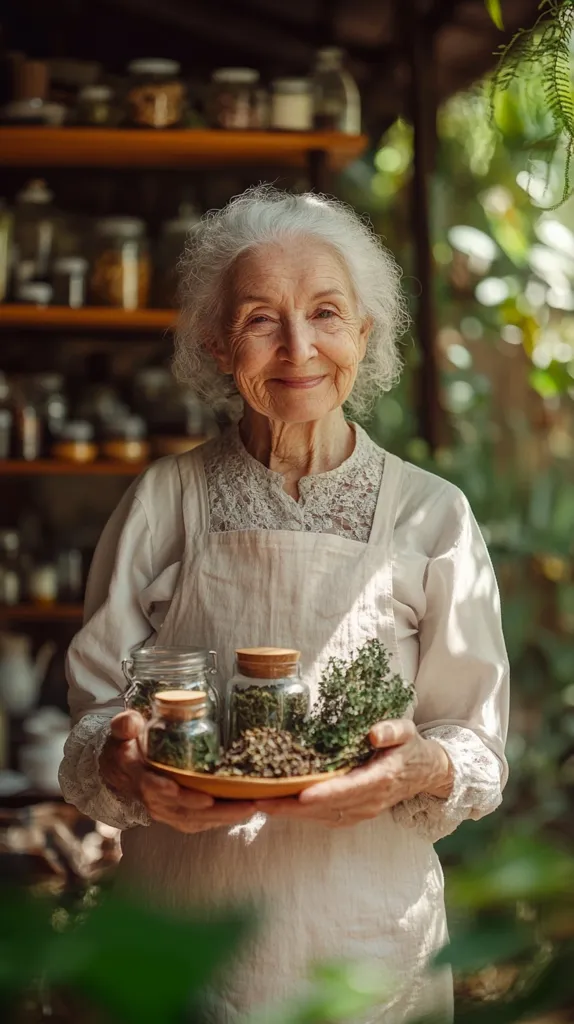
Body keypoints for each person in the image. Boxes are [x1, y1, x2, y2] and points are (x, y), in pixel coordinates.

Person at [60, 186, 509, 1023]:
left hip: (368, 932)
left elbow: (475, 739)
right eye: (261, 318)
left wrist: (421, 765)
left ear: (364, 335)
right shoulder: (168, 498)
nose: (298, 347)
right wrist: (122, 762)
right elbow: (94, 713)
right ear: (217, 345)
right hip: (183, 924)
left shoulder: (431, 512)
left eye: (327, 313)